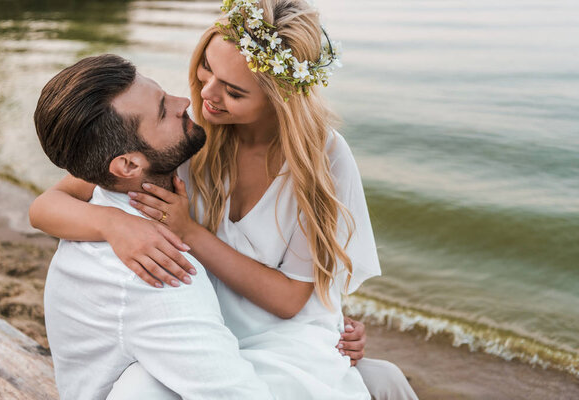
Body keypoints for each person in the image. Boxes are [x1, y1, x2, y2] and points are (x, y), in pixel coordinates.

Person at [31, 0, 418, 399]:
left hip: (280, 335)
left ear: (278, 96)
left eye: (232, 91)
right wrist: (114, 224)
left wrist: (189, 233)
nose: (207, 95)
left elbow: (288, 300)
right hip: (204, 332)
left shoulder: (319, 161)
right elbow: (44, 207)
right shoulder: (187, 139)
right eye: (206, 68)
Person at [34, 54, 274, 400]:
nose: (186, 101)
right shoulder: (157, 274)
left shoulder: (103, 197)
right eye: (164, 110)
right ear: (128, 164)